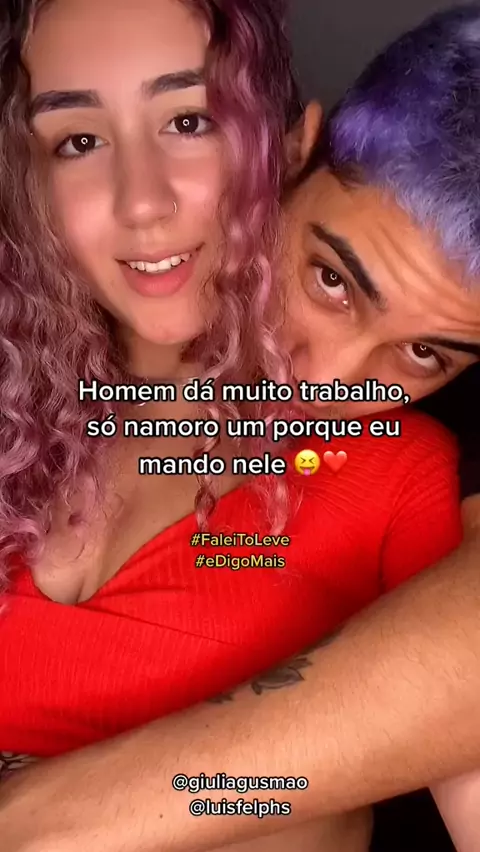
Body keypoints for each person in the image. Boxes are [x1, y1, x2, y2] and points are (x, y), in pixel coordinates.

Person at [1, 2, 480, 850]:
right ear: (291, 158)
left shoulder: (408, 475)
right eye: (331, 280)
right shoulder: (27, 389)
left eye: (423, 355)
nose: (327, 382)